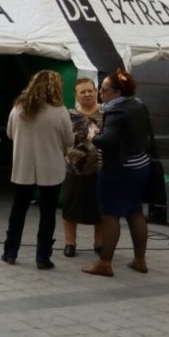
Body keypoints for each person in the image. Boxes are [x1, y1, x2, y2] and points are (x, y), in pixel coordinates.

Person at [83, 69, 154, 277]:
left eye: (104, 90)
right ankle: (140, 260)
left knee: (110, 215)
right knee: (135, 212)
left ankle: (105, 263)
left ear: (117, 92)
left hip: (118, 169)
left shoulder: (116, 111)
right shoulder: (139, 104)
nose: (100, 93)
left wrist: (93, 136)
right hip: (140, 165)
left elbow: (108, 141)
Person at [2, 70, 72, 269]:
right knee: (48, 212)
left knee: (18, 209)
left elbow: (10, 134)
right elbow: (69, 140)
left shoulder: (18, 109)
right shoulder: (60, 111)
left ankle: (10, 252)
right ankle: (43, 257)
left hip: (23, 166)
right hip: (51, 167)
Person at [62, 77, 103, 258]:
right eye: (83, 91)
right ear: (76, 95)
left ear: (96, 92)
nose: (87, 94)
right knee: (71, 207)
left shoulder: (107, 112)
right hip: (75, 169)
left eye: (90, 91)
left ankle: (99, 243)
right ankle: (70, 243)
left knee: (100, 208)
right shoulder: (69, 115)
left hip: (101, 169)